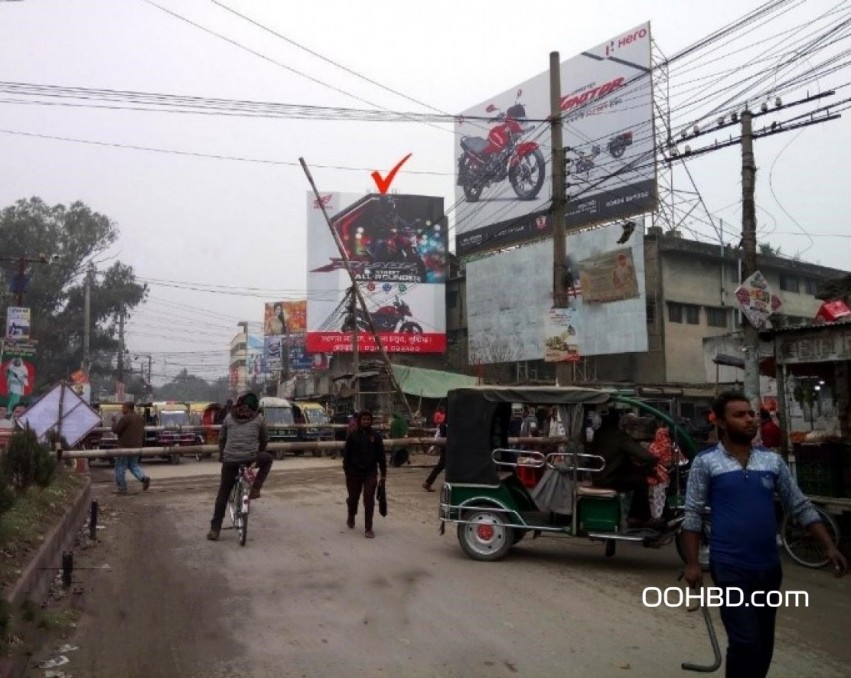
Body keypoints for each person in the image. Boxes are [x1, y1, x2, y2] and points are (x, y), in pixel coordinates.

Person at [683, 391, 847, 678]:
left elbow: (798, 504)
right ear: (721, 422)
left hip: (768, 566)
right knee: (745, 640)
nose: (749, 419)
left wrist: (828, 546)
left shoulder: (771, 461)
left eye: (750, 414)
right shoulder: (706, 462)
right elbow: (693, 513)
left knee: (763, 642)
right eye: (739, 415)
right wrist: (692, 563)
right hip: (730, 565)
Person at [207, 392, 273, 541]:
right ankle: (256, 488)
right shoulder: (259, 418)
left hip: (229, 460)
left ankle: (214, 529)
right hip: (250, 458)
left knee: (223, 493)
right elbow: (264, 439)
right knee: (268, 459)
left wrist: (222, 455)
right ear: (255, 406)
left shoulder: (229, 418)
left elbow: (222, 439)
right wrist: (259, 451)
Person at [590, 409, 656, 526]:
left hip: (598, 476)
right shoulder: (619, 436)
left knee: (636, 474)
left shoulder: (598, 434)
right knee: (640, 481)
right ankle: (637, 517)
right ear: (618, 421)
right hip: (610, 479)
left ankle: (636, 516)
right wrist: (654, 458)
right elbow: (643, 455)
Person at [342, 410, 386, 538]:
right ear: (359, 420)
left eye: (368, 419)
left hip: (370, 473)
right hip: (354, 473)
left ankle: (368, 528)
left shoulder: (376, 437)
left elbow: (381, 456)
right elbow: (346, 456)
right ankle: (351, 514)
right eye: (364, 419)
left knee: (369, 500)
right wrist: (347, 471)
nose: (366, 421)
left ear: (371, 421)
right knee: (353, 498)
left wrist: (383, 474)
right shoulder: (352, 436)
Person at [111, 401, 151, 495]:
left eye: (123, 407)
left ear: (127, 408)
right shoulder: (140, 418)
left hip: (124, 447)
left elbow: (116, 430)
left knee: (120, 467)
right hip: (137, 446)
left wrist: (113, 422)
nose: (122, 409)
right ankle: (143, 478)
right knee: (133, 465)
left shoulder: (125, 418)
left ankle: (122, 487)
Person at [423, 418, 447, 492]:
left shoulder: (444, 425)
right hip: (446, 448)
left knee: (440, 466)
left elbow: (437, 436)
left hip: (448, 448)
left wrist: (432, 447)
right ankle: (428, 482)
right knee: (440, 466)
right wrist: (432, 447)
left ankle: (428, 482)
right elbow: (437, 436)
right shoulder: (444, 425)